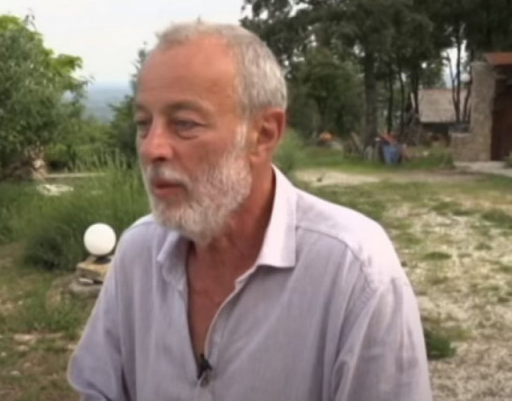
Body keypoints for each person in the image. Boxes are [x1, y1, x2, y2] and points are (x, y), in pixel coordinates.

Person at [67, 21, 433, 401]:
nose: (151, 148)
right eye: (144, 124)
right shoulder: (137, 254)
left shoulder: (354, 272)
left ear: (263, 134)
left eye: (184, 124)